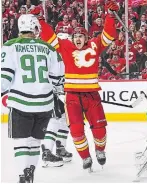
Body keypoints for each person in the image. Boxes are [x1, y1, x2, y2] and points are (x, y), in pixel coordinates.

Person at [30, 0, 119, 171]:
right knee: (76, 130)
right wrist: (40, 19)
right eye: (75, 37)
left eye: (81, 36)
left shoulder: (95, 44)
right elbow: (49, 37)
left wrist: (110, 16)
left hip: (92, 95)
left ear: (87, 37)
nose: (78, 39)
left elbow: (108, 35)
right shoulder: (66, 46)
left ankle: (100, 151)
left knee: (99, 129)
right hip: (72, 96)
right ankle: (85, 157)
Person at [1, 14, 64, 183]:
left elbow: (4, 79)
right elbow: (58, 78)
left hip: (21, 103)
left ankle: (23, 175)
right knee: (35, 141)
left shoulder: (9, 46)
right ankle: (31, 171)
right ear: (35, 28)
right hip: (44, 104)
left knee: (21, 142)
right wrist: (58, 87)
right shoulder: (49, 48)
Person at [41, 33, 72, 167]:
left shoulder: (63, 56)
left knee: (65, 118)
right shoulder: (53, 56)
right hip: (49, 93)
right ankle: (47, 152)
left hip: (57, 94)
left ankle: (60, 148)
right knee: (54, 120)